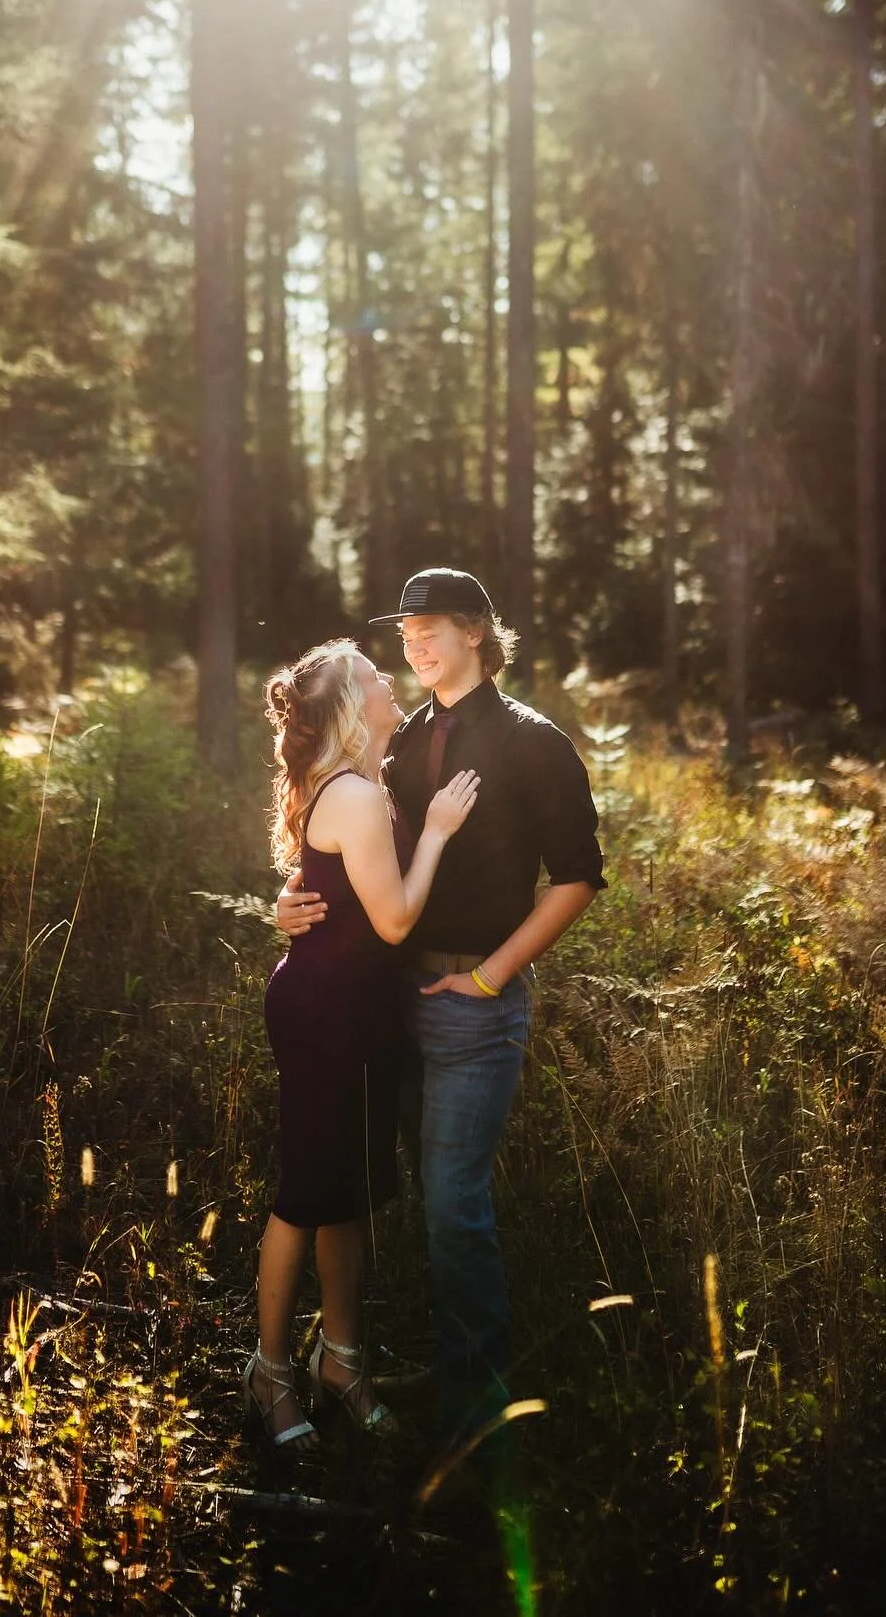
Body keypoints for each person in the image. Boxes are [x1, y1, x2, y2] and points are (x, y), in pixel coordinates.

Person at [278, 569, 605, 1444]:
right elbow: (345, 841)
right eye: (406, 631)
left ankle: (479, 1410)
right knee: (409, 1193)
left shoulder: (535, 742)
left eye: (432, 627)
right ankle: (448, 1362)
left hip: (473, 1005)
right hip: (385, 1003)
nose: (415, 643)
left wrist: (492, 976)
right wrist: (292, 902)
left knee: (454, 1204)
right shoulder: (399, 736)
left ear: (476, 632)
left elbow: (578, 878)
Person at [246, 637, 480, 1449]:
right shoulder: (354, 794)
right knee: (307, 1192)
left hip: (362, 1011)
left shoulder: (363, 780)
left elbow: (334, 892)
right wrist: (439, 831)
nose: (390, 679)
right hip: (325, 1014)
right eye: (375, 675)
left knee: (349, 1192)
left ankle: (341, 1360)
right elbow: (395, 919)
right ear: (353, 706)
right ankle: (270, 1373)